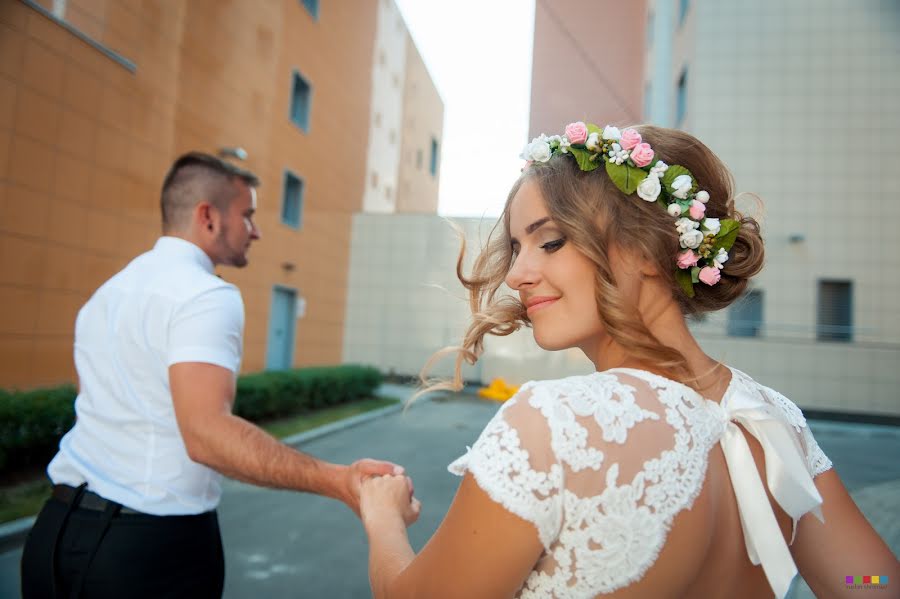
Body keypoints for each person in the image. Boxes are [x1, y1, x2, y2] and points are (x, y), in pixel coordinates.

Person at [357, 123, 899, 598]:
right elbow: (872, 584)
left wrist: (382, 520)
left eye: (549, 242)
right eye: (516, 248)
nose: (516, 274)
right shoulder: (773, 424)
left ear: (646, 248)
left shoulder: (552, 427)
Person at [20, 152, 407, 598]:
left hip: (52, 536)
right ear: (208, 216)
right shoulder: (206, 295)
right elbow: (205, 434)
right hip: (145, 553)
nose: (256, 231)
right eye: (248, 216)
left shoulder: (106, 296)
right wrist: (337, 480)